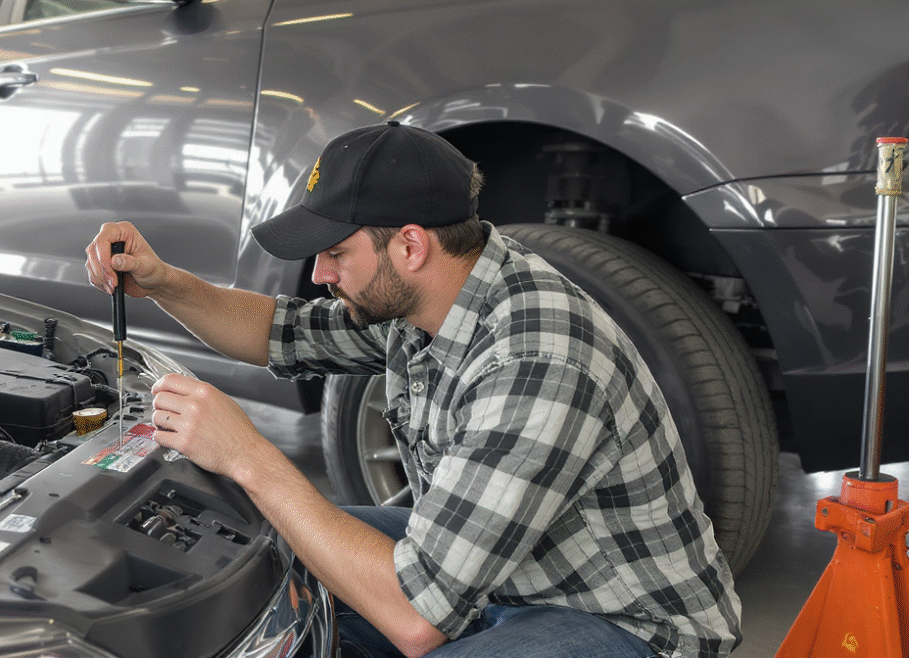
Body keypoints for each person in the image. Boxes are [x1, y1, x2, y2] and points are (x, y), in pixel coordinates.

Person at [84, 122, 741, 658]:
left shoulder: (536, 362)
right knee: (263, 543)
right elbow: (276, 333)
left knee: (292, 521)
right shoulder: (437, 294)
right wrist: (161, 280)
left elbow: (415, 617)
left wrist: (250, 458)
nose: (318, 274)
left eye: (335, 253)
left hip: (623, 622)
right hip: (508, 569)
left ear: (411, 245)